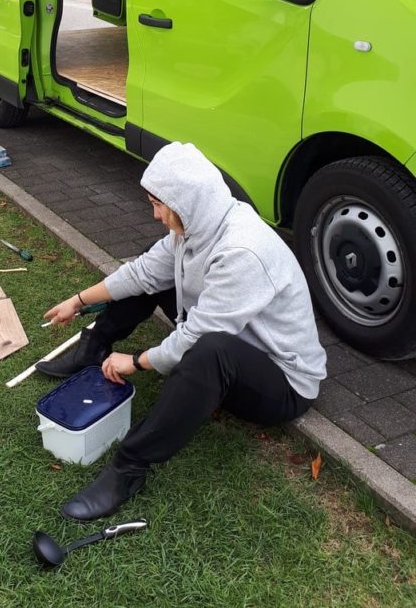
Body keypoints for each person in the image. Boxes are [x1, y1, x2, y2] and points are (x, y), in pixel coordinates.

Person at [38, 141, 327, 522]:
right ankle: (95, 347)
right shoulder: (198, 224)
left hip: (283, 382)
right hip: (234, 341)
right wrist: (77, 301)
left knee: (210, 352)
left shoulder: (242, 250)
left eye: (158, 205)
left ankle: (129, 467)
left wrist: (138, 362)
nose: (155, 214)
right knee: (153, 274)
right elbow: (142, 272)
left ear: (185, 201)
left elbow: (196, 338)